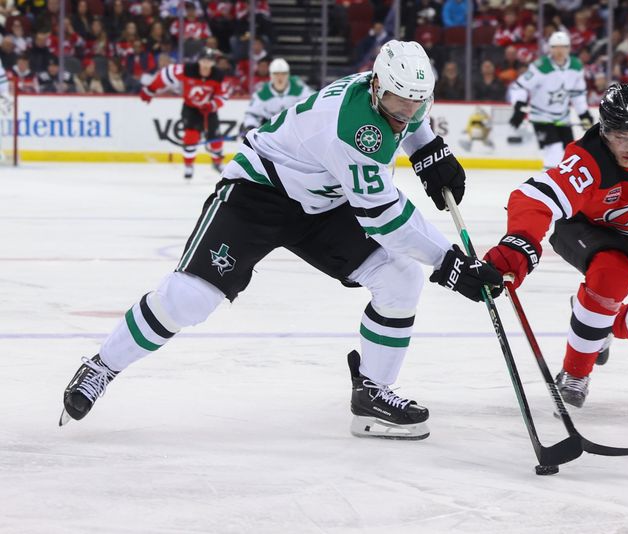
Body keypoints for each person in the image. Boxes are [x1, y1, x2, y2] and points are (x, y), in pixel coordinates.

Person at [60, 40, 503, 441]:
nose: (403, 112)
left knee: (400, 279)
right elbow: (384, 217)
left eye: (414, 104)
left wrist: (429, 151)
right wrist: (450, 263)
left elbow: (413, 125)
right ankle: (101, 367)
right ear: (374, 85)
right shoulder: (352, 128)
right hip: (260, 193)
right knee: (188, 298)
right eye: (395, 102)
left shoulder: (404, 93)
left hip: (321, 201)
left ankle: (372, 394)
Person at [484, 83, 628, 408]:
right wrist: (519, 242)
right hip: (586, 228)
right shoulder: (588, 158)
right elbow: (535, 196)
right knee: (613, 271)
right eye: (621, 136)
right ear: (604, 131)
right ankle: (574, 373)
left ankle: (600, 321)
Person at [508, 31, 593, 170]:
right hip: (541, 117)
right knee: (553, 151)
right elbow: (520, 87)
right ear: (550, 48)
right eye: (555, 47)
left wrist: (584, 114)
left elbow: (578, 94)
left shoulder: (576, 66)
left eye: (563, 47)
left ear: (569, 48)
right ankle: (548, 187)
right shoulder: (540, 66)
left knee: (569, 155)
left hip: (563, 117)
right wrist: (519, 107)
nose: (559, 51)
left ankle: (564, 188)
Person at [140, 47, 229, 179]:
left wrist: (211, 105)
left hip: (209, 110)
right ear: (198, 61)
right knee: (190, 137)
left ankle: (217, 162)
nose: (206, 65)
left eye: (209, 62)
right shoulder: (187, 70)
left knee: (215, 139)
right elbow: (166, 75)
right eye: (204, 61)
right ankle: (188, 165)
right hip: (190, 108)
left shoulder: (218, 75)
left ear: (213, 63)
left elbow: (223, 96)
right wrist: (151, 89)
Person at [239, 58, 314, 137]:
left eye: (283, 74)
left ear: (288, 74)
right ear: (271, 75)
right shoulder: (262, 92)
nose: (280, 77)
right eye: (276, 74)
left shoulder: (298, 87)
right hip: (270, 134)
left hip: (295, 133)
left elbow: (314, 102)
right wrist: (251, 126)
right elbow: (252, 114)